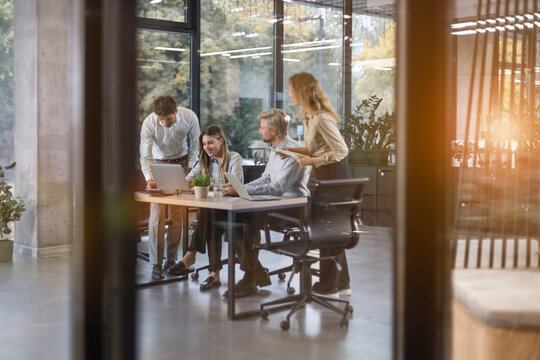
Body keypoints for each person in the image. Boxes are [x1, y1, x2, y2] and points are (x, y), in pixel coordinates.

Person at [222, 108, 310, 297]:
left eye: (262, 128)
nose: (259, 131)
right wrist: (240, 187)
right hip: (276, 203)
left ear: (274, 132)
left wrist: (242, 190)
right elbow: (265, 178)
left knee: (244, 218)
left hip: (292, 208)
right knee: (235, 218)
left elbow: (278, 187)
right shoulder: (275, 150)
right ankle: (254, 274)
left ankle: (251, 277)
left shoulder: (292, 151)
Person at [282, 72, 352, 296]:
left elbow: (341, 151)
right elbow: (314, 148)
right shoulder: (308, 115)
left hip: (336, 175)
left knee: (326, 228)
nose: (289, 93)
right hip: (325, 172)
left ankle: (329, 285)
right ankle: (342, 283)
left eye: (292, 89)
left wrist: (313, 161)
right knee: (331, 229)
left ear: (301, 91)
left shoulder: (321, 117)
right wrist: (292, 150)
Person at [167, 125, 244, 291]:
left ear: (221, 141)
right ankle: (212, 274)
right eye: (204, 144)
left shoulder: (234, 158)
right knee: (209, 215)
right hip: (215, 211)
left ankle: (191, 255)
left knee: (208, 214)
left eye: (210, 143)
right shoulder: (204, 160)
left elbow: (233, 185)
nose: (207, 147)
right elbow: (188, 180)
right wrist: (177, 184)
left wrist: (205, 186)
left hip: (235, 210)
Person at [140, 95, 200, 280]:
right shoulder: (150, 122)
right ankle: (156, 264)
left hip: (181, 165)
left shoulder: (189, 117)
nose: (165, 123)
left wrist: (190, 169)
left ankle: (171, 260)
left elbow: (196, 146)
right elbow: (145, 155)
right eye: (161, 120)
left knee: (178, 216)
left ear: (176, 111)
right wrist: (150, 178)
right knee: (157, 216)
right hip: (158, 166)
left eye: (168, 119)